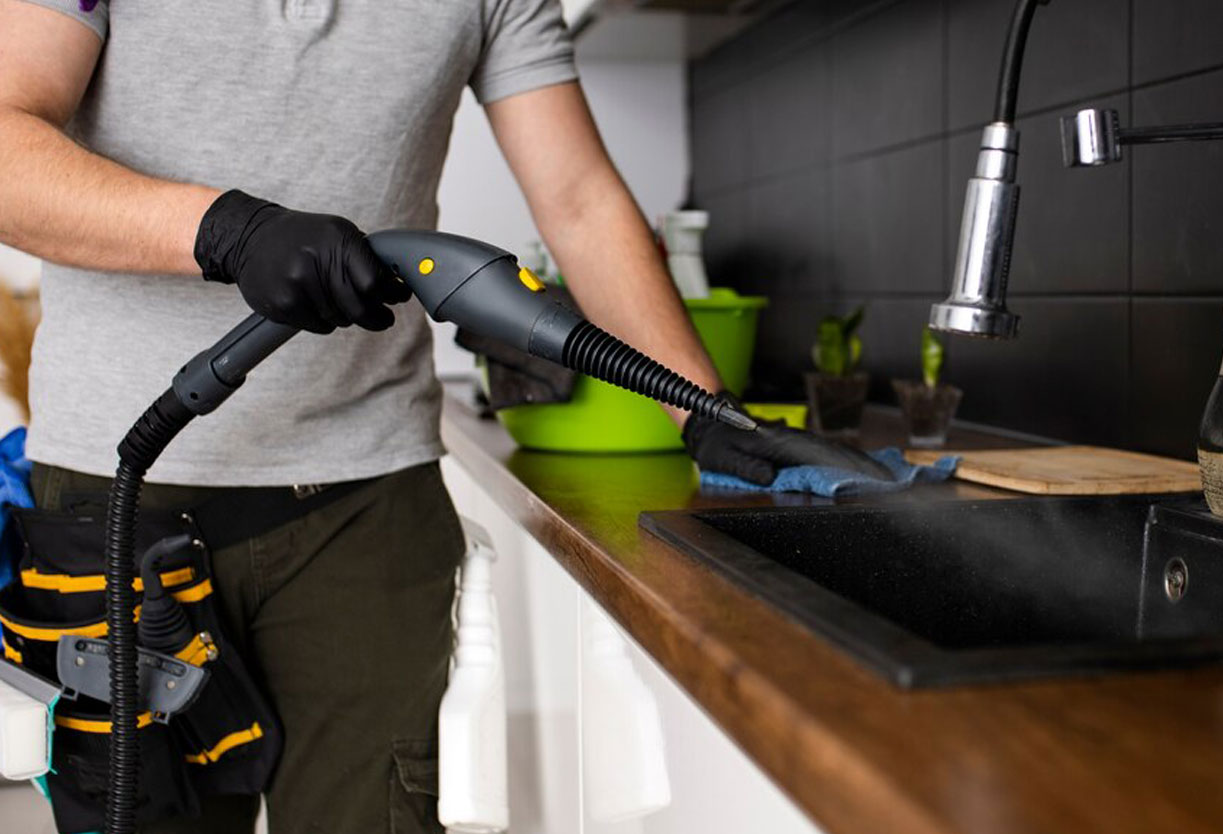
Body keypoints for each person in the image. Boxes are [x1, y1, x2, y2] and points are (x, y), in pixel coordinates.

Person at [0, 1, 885, 832]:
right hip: (114, 502)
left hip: (362, 509)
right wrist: (226, 230)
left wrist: (699, 407)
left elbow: (577, 197)